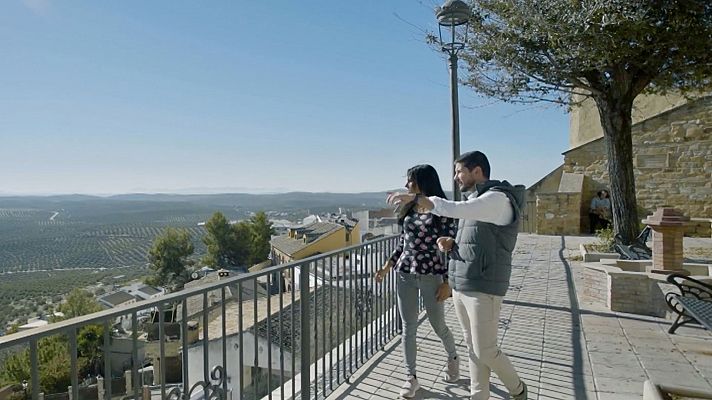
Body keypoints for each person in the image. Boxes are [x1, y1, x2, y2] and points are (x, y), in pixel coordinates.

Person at [387, 151, 528, 400]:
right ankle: (478, 395)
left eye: (459, 171)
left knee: (485, 350)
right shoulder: (476, 199)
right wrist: (451, 244)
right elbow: (470, 238)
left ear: (477, 171)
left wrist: (416, 197)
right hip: (463, 281)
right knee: (474, 348)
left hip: (483, 285)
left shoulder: (496, 199)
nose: (455, 178)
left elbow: (452, 208)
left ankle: (517, 389)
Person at [374, 164, 459, 398]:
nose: (406, 186)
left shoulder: (442, 210)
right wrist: (385, 267)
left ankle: (453, 357)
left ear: (422, 183)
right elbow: (403, 245)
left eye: (410, 181)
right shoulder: (409, 211)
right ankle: (410, 378)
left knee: (438, 325)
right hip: (405, 274)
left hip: (433, 275)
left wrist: (448, 282)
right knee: (408, 327)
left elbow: (453, 249)